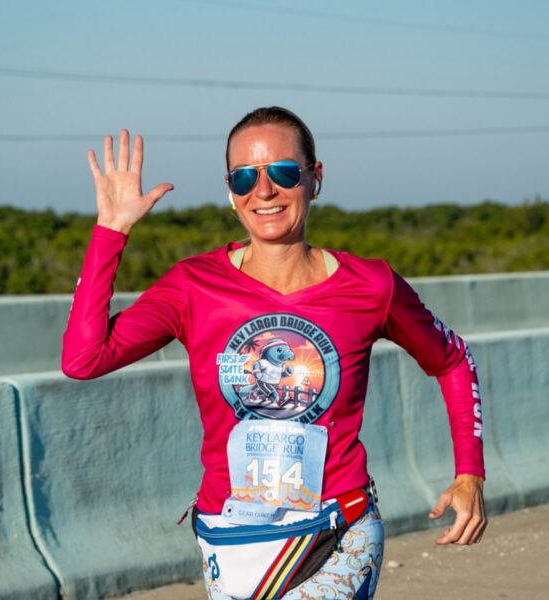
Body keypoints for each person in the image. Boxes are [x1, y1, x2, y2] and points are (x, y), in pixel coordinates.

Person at [62, 106, 486, 599]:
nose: (263, 191)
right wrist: (111, 231)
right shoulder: (194, 286)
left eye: (283, 172)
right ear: (230, 190)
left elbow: (452, 359)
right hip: (231, 537)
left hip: (337, 530)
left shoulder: (371, 286)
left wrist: (469, 472)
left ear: (315, 177)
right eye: (245, 177)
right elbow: (83, 358)